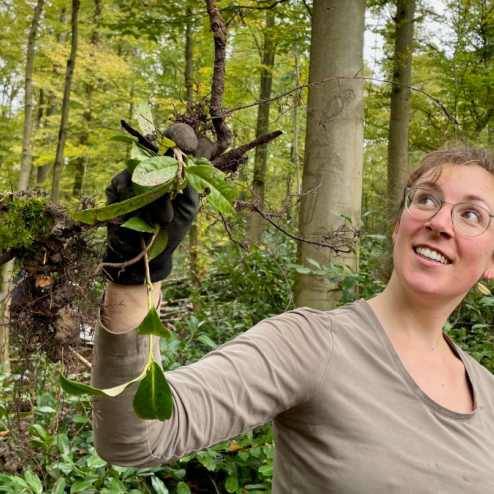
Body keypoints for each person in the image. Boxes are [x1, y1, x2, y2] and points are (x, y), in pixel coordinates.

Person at [92, 146, 494, 493]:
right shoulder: (311, 344)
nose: (439, 222)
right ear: (397, 227)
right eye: (426, 199)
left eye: (472, 215)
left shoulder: (488, 393)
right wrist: (134, 270)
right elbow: (138, 435)